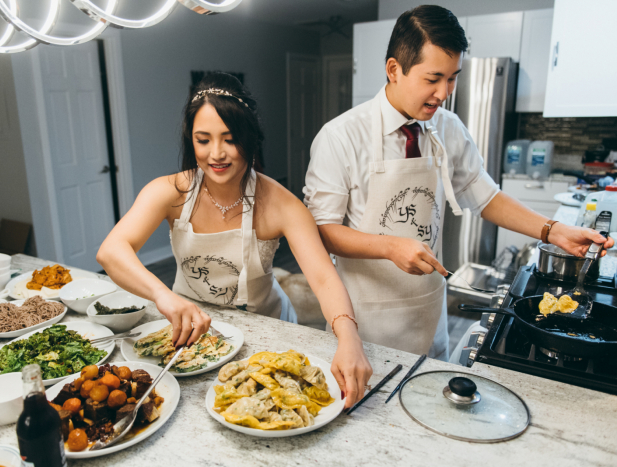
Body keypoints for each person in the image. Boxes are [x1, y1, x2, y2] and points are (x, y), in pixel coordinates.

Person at [303, 5, 614, 361]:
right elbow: (323, 230)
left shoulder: (448, 127)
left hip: (427, 310)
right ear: (394, 70)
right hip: (363, 318)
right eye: (433, 78)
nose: (444, 92)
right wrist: (390, 246)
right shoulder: (341, 136)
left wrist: (554, 231)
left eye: (452, 78)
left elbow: (485, 196)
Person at [97, 72, 372, 407]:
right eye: (203, 140)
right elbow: (111, 251)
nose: (217, 154)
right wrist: (163, 296)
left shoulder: (282, 204)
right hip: (190, 333)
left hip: (265, 335)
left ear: (250, 138)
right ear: (191, 140)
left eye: (229, 139)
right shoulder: (169, 192)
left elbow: (324, 278)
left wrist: (349, 337)